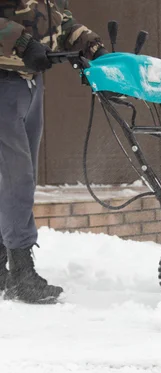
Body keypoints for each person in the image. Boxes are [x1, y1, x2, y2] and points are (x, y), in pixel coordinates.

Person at [0, 1, 108, 304]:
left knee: (18, 179)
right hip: (4, 81)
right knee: (16, 179)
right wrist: (21, 42)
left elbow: (60, 22)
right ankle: (21, 273)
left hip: (30, 83)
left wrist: (91, 45)